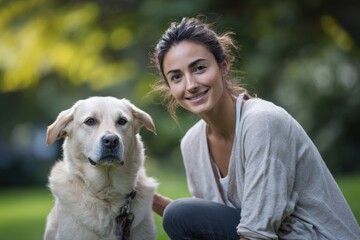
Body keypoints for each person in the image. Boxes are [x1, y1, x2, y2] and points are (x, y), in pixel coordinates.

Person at [150, 16, 360, 240]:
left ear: (224, 65)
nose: (190, 85)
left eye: (199, 68)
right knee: (178, 215)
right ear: (169, 86)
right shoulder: (192, 144)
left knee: (178, 213)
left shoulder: (263, 122)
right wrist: (143, 195)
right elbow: (204, 226)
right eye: (176, 77)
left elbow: (256, 234)